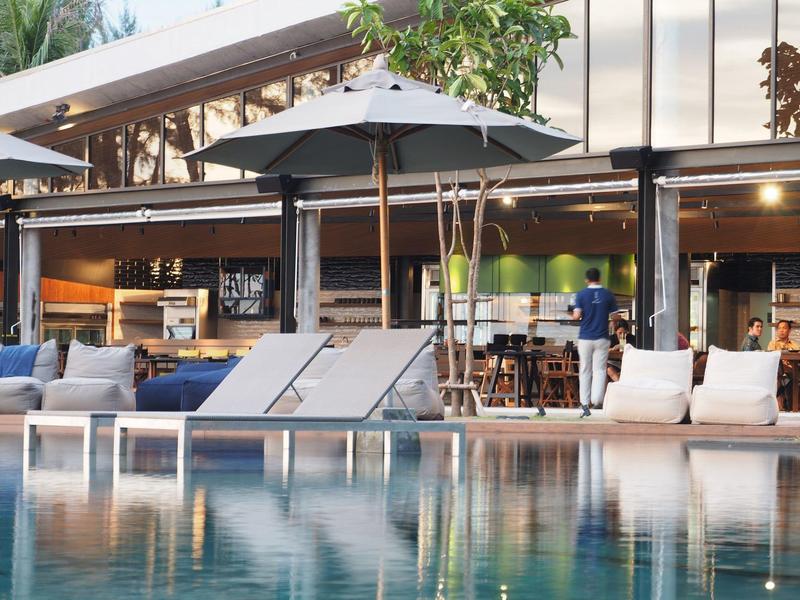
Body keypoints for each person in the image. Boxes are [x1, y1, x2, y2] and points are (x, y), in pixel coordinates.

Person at [572, 267, 620, 417]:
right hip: (602, 338)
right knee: (599, 369)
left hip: (585, 337)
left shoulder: (581, 294)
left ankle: (585, 403)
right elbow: (615, 316)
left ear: (587, 280)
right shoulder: (608, 294)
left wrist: (575, 313)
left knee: (585, 369)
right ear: (600, 278)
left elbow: (576, 315)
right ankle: (597, 400)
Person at [767, 320, 798, 410]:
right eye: (779, 328)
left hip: (793, 370)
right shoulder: (773, 344)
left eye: (784, 328)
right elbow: (771, 359)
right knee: (788, 378)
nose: (781, 330)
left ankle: (792, 406)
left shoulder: (795, 345)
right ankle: (790, 406)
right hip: (778, 371)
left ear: (789, 330)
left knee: (791, 377)